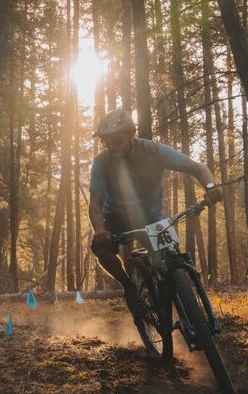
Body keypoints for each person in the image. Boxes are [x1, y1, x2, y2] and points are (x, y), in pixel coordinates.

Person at [88, 108, 223, 323]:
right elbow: (95, 204)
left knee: (169, 260)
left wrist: (210, 186)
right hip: (116, 217)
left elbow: (195, 167)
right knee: (100, 247)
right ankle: (129, 288)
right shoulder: (101, 163)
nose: (111, 145)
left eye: (116, 139)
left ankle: (179, 301)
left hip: (152, 217)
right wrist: (101, 231)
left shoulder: (153, 151)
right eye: (106, 141)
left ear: (131, 134)